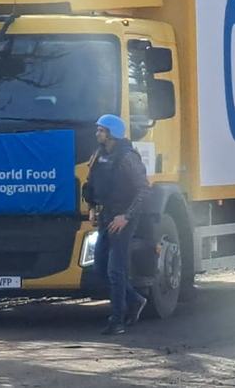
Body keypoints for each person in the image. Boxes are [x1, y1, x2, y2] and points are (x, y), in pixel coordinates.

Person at [84, 114, 150, 335]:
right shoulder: (98, 155)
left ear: (112, 133)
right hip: (105, 217)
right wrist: (92, 207)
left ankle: (117, 320)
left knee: (115, 270)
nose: (97, 134)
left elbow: (143, 190)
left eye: (101, 130)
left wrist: (126, 217)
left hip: (123, 219)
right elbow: (91, 184)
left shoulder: (127, 157)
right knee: (100, 268)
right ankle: (136, 300)